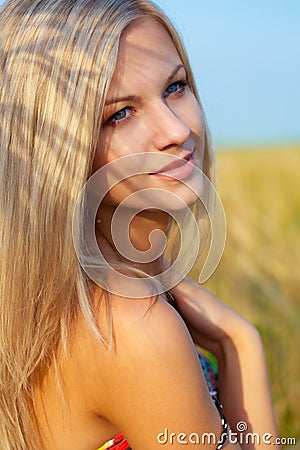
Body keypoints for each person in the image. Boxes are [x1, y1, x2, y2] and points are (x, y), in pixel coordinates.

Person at [0, 1, 279, 449]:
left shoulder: (66, 296)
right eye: (120, 114)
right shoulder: (132, 325)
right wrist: (239, 346)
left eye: (175, 87)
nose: (175, 129)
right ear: (53, 153)